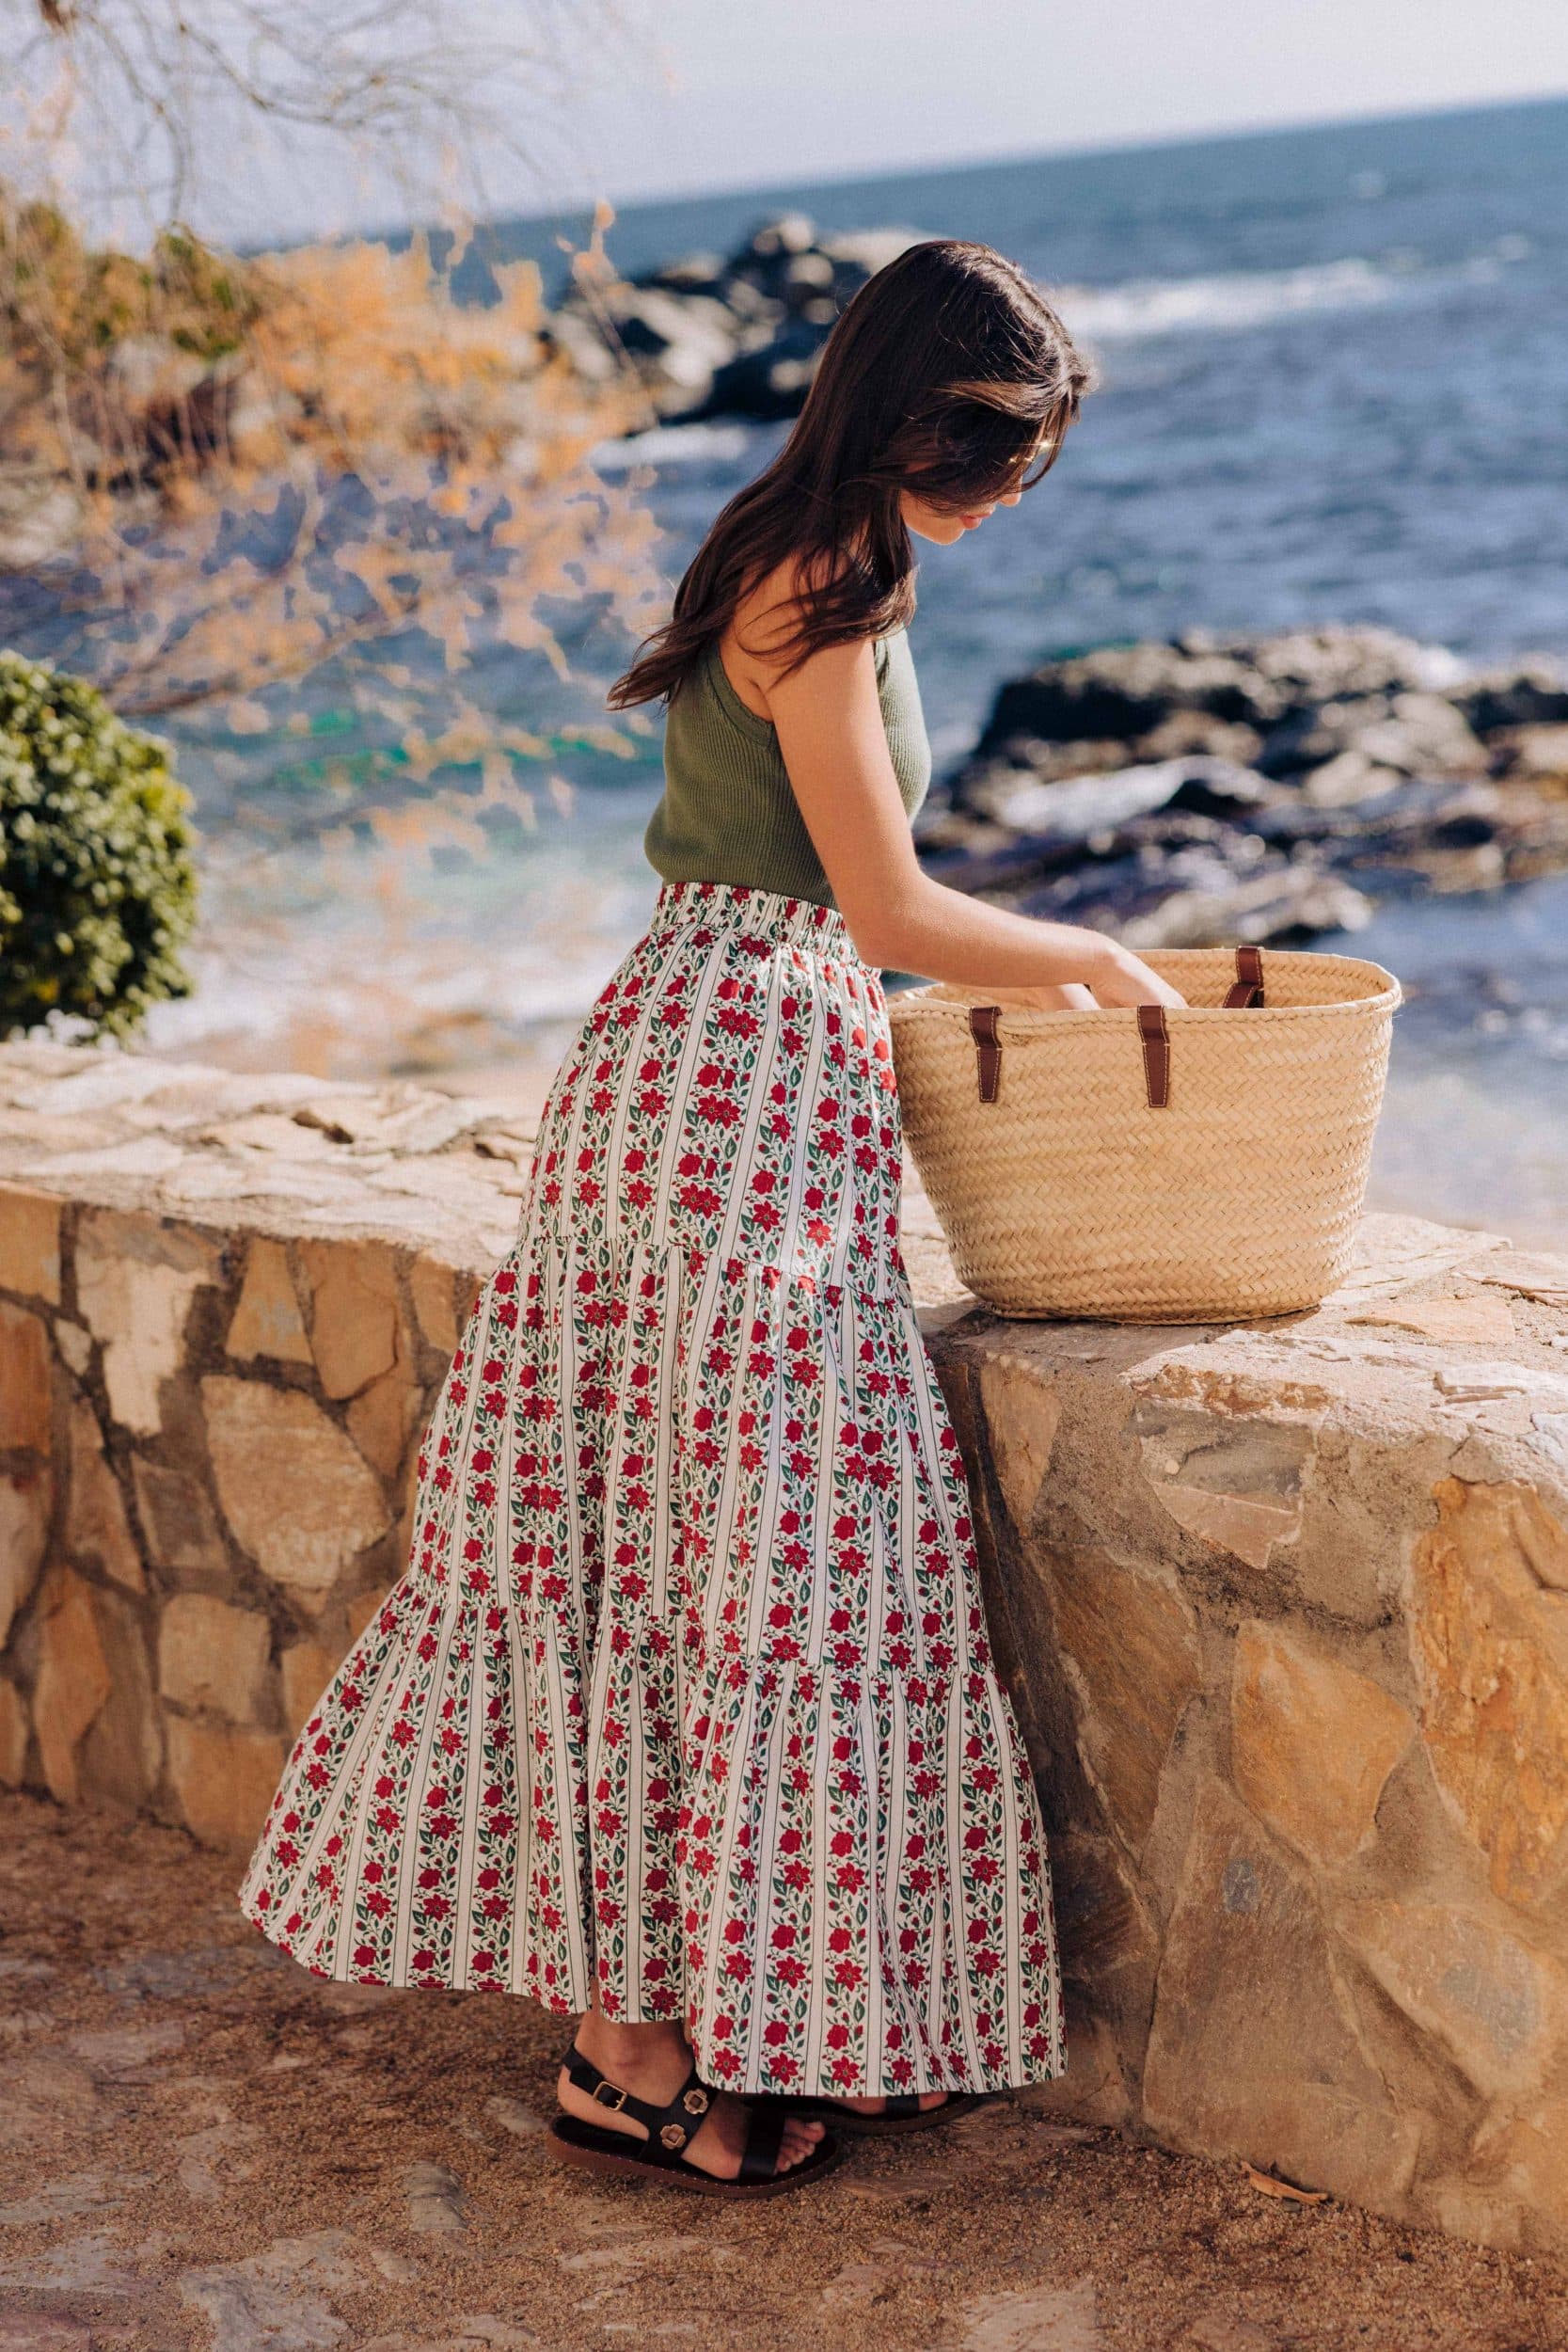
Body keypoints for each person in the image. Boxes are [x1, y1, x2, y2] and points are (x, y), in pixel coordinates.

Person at [237, 238, 1185, 2201]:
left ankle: (737, 2021)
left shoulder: (830, 552)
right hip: (728, 1085)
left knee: (708, 1555)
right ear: (918, 412)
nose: (1014, 494)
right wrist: (1094, 957)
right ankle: (626, 2055)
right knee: (729, 1554)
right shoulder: (820, 582)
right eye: (999, 453)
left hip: (737, 1070)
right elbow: (888, 904)